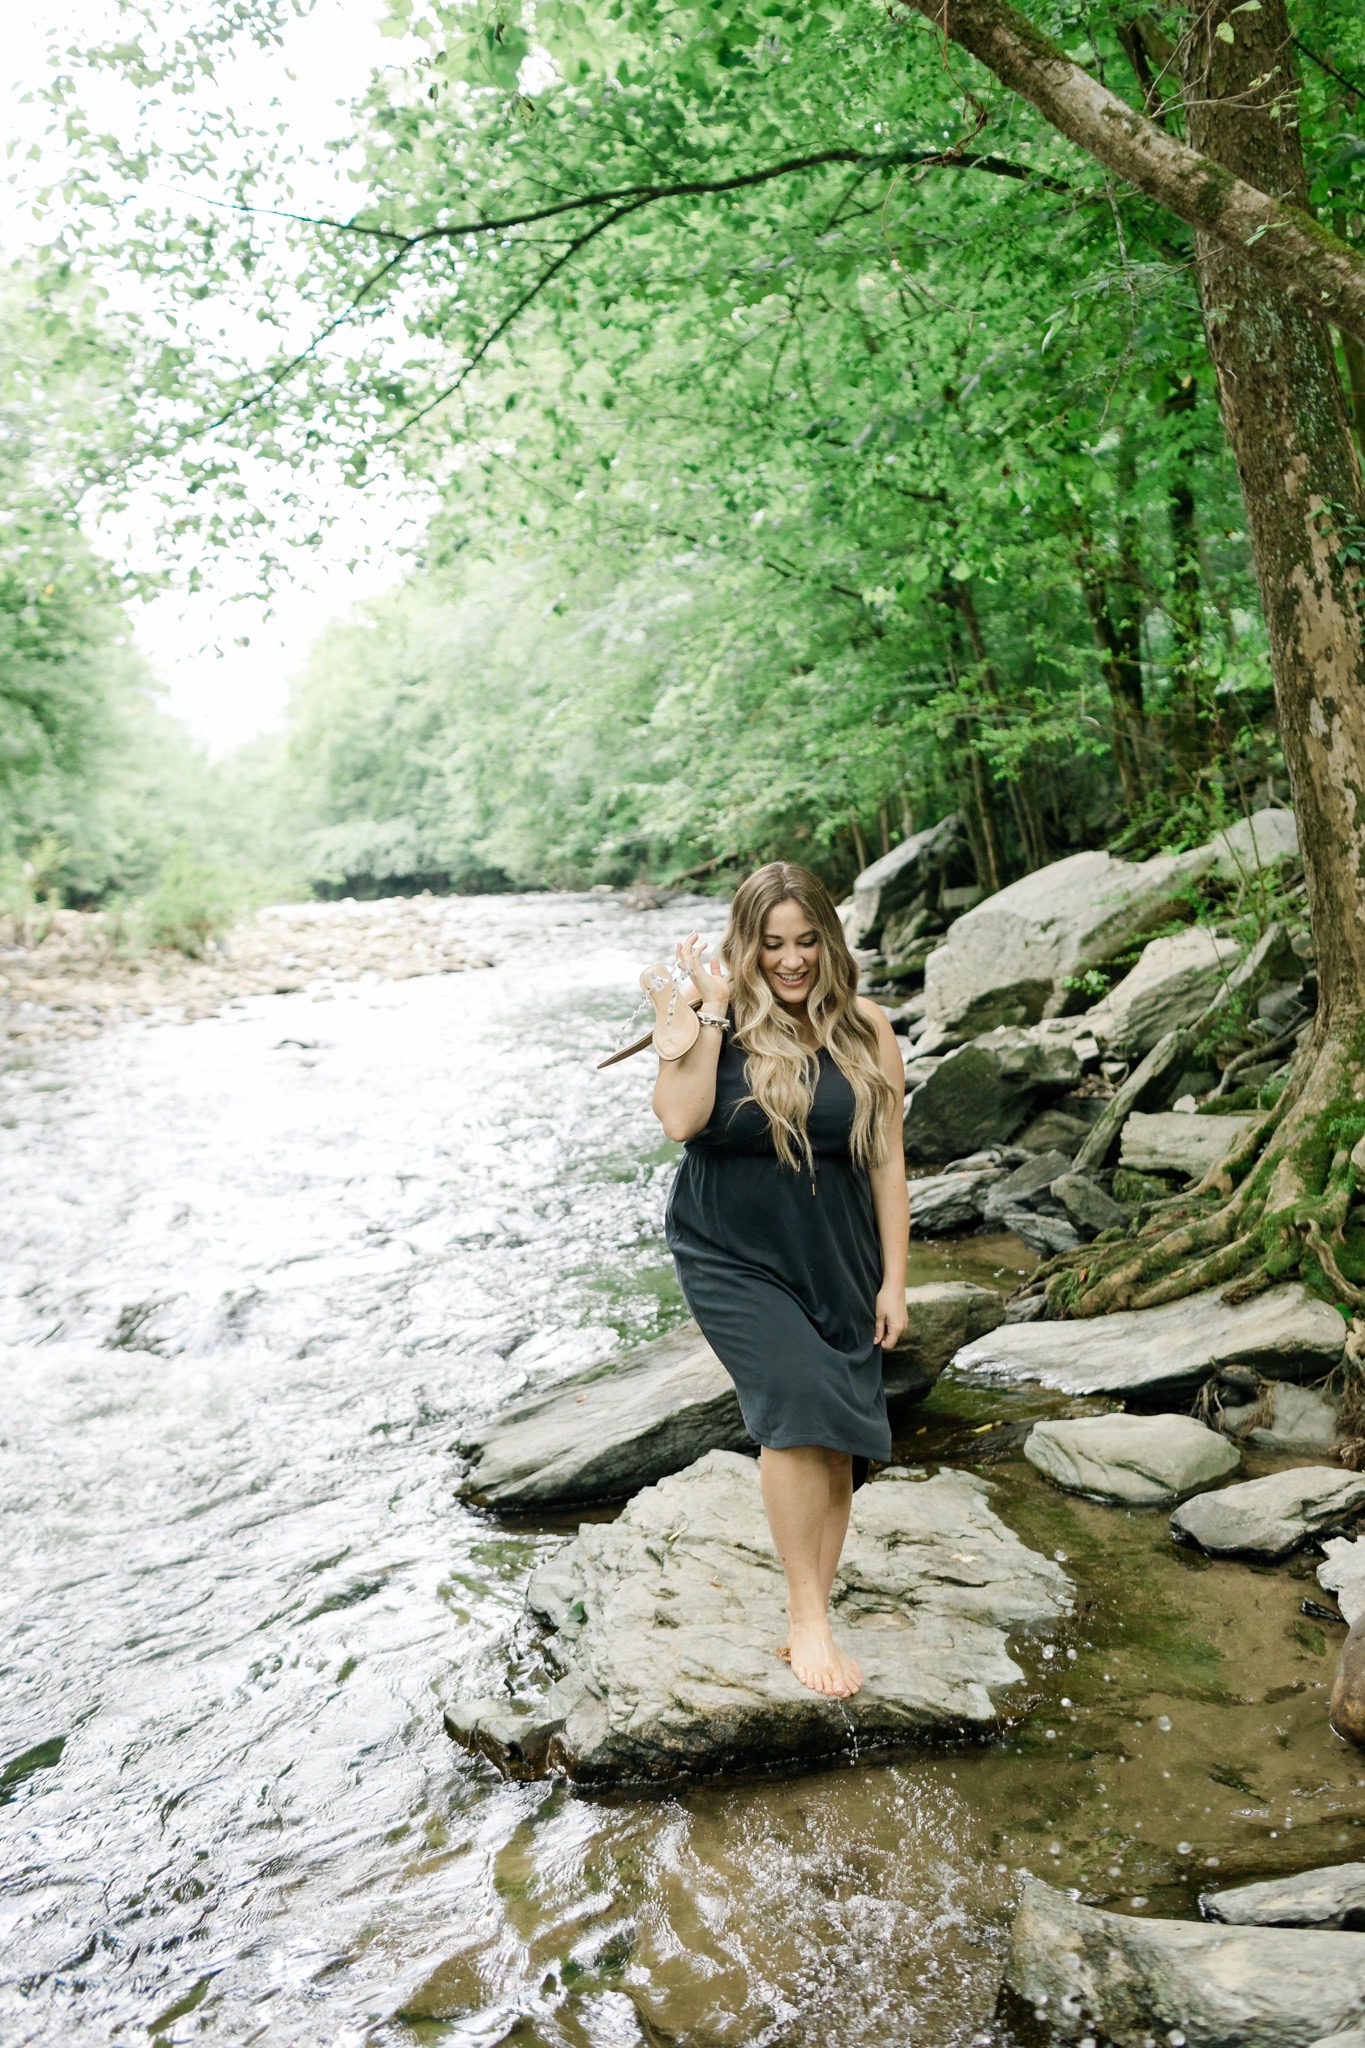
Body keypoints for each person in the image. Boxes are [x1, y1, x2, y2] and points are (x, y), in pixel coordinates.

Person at [646, 861, 908, 1700]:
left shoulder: (865, 1027)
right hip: (730, 1253)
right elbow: (680, 1121)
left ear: (828, 942)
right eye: (771, 946)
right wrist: (710, 1011)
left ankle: (813, 1608)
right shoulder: (703, 1016)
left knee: (835, 1444)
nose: (790, 961)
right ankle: (806, 1622)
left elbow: (888, 1161)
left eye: (805, 943)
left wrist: (895, 1280)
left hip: (836, 1253)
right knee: (795, 1415)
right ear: (743, 947)